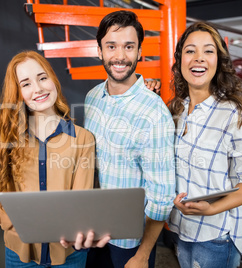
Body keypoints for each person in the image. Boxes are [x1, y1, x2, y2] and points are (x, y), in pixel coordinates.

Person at [0, 50, 109, 268]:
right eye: (26, 83)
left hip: (69, 254)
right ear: (18, 92)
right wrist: (23, 226)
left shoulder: (83, 138)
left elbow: (81, 200)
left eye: (42, 78)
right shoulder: (1, 139)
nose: (38, 88)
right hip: (19, 252)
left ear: (53, 80)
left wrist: (73, 229)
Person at [166, 22, 242, 268]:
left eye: (208, 51)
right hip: (179, 226)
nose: (198, 58)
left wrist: (211, 210)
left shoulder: (235, 114)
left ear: (219, 61)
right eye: (190, 51)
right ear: (180, 60)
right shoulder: (176, 109)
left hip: (216, 234)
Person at [83, 10, 176, 268]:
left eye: (129, 47)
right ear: (99, 51)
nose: (120, 56)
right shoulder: (92, 97)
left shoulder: (154, 113)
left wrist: (142, 255)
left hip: (130, 242)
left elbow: (161, 198)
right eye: (111, 46)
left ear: (139, 52)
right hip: (93, 231)